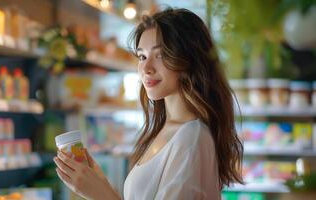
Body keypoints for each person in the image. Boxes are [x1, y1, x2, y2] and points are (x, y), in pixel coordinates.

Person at [54, 8, 244, 200]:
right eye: (142, 57)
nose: (146, 68)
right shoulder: (165, 130)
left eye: (160, 55)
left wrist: (100, 194)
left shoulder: (192, 136)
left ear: (189, 59)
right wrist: (100, 183)